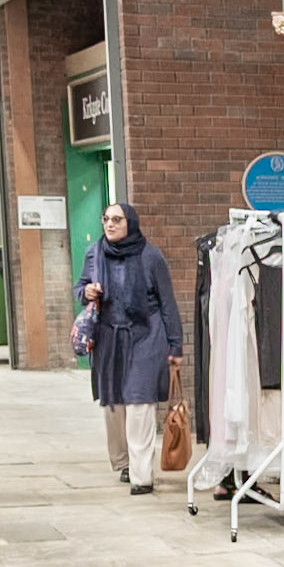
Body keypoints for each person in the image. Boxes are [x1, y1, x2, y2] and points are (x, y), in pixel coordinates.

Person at [76, 203, 183, 494]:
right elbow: (80, 286)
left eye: (116, 219)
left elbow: (167, 304)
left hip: (145, 336)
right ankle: (123, 462)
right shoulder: (95, 254)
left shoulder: (150, 256)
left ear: (130, 223)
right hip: (109, 336)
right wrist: (85, 292)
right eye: (106, 219)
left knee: (140, 402)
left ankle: (141, 475)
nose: (109, 224)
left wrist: (175, 345)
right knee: (113, 404)